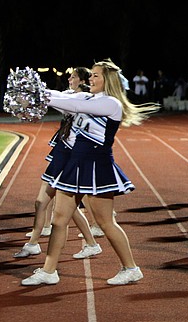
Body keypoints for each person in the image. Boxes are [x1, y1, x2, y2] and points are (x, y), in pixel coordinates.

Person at [21, 59, 160, 286]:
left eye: (96, 75)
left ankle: (131, 268)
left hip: (97, 166)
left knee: (105, 223)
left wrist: (39, 95)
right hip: (76, 164)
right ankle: (49, 271)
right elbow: (66, 97)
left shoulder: (111, 104)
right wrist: (35, 90)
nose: (91, 79)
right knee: (59, 219)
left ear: (108, 80)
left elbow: (76, 106)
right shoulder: (88, 97)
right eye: (92, 75)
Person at [14, 67, 102, 260]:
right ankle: (35, 244)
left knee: (61, 208)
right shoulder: (71, 95)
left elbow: (60, 101)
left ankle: (87, 243)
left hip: (71, 156)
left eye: (73, 77)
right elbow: (55, 97)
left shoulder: (86, 100)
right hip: (62, 152)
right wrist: (30, 96)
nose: (69, 79)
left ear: (82, 80)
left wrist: (39, 94)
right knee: (44, 203)